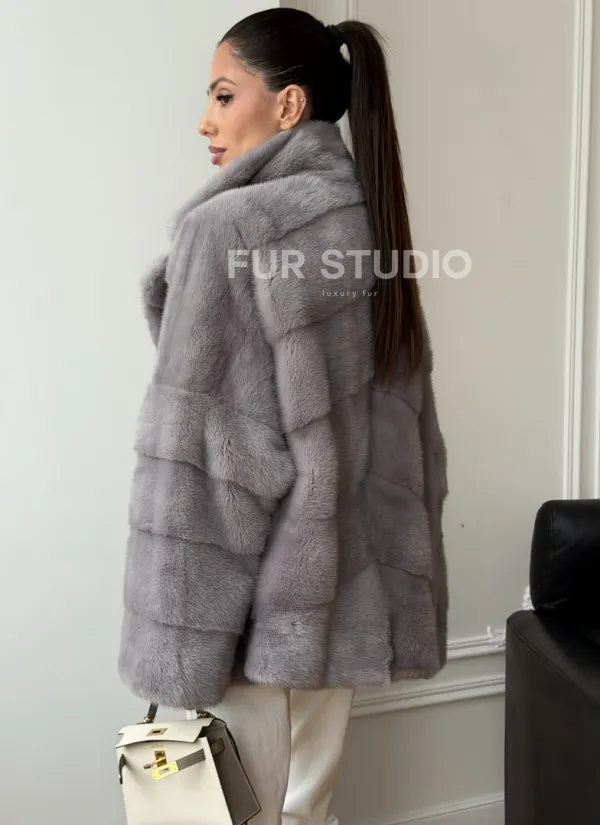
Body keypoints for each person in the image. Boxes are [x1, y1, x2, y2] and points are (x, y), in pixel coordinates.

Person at [118, 8, 449, 825]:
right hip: (337, 612)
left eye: (223, 94)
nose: (205, 120)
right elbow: (404, 446)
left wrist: (180, 648)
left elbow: (211, 465)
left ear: (290, 104)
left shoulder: (229, 232)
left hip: (253, 620)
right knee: (303, 813)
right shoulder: (372, 223)